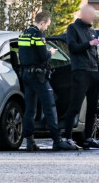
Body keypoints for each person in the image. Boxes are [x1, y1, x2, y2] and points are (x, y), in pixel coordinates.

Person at [17, 12, 78, 152]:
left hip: (26, 75)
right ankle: (57, 141)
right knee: (50, 107)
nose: (47, 28)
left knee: (30, 110)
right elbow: (43, 56)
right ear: (43, 22)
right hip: (39, 76)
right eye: (47, 25)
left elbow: (24, 55)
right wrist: (50, 51)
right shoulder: (38, 35)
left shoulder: (23, 34)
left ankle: (29, 141)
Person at [61, 5, 99, 150]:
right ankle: (67, 137)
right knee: (75, 105)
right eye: (90, 15)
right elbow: (73, 47)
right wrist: (89, 43)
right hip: (81, 72)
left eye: (93, 15)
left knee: (92, 107)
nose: (92, 18)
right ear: (83, 14)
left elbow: (94, 53)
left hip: (94, 73)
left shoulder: (92, 30)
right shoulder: (73, 28)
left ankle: (88, 138)